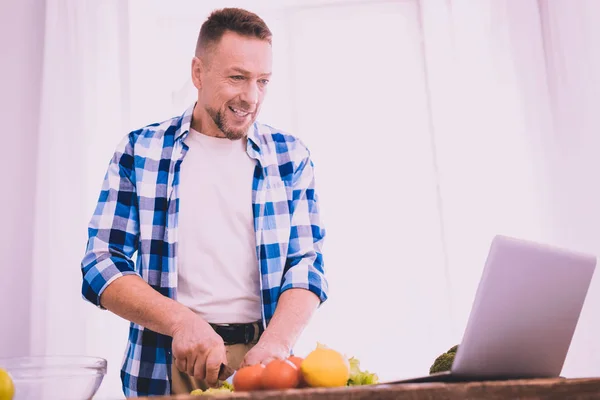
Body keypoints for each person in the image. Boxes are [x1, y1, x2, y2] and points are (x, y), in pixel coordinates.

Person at [80, 7, 328, 398]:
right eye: (237, 77)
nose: (251, 97)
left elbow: (306, 267)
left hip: (262, 366)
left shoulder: (290, 157)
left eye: (263, 81)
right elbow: (101, 263)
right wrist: (181, 322)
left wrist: (276, 344)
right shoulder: (140, 150)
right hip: (166, 363)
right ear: (198, 73)